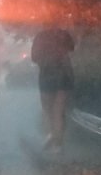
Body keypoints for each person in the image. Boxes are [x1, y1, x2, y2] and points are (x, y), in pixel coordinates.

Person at [31, 24, 75, 152]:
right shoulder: (64, 34)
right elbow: (72, 48)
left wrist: (45, 58)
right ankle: (58, 143)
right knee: (59, 110)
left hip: (47, 75)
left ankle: (53, 136)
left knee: (48, 109)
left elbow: (34, 58)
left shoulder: (40, 37)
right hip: (64, 75)